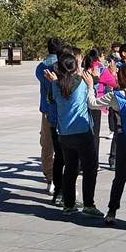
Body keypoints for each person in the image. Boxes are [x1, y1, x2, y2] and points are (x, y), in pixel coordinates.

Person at [83, 66, 126, 227]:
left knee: (120, 177)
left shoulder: (115, 95)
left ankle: (112, 212)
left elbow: (92, 104)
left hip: (124, 138)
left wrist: (90, 87)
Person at [44, 54, 103, 217]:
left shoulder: (55, 85)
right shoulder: (83, 82)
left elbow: (51, 100)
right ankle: (89, 204)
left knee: (70, 168)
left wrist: (55, 81)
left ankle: (68, 204)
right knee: (90, 168)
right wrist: (92, 84)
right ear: (74, 67)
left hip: (65, 133)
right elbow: (92, 101)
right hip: (83, 131)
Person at [35, 38, 62, 194]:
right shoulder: (63, 65)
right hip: (62, 111)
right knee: (63, 146)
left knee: (47, 146)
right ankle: (62, 178)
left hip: (47, 111)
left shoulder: (41, 67)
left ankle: (50, 178)